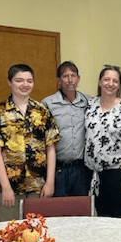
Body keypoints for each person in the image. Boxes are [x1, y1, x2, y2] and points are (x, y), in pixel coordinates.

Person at [0, 64, 60, 221]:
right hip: (9, 186)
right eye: (19, 80)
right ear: (9, 82)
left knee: (36, 229)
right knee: (10, 230)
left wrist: (50, 182)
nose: (25, 84)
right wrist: (6, 187)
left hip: (38, 185)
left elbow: (51, 147)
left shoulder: (42, 110)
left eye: (29, 81)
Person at [85, 65, 121, 218]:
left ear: (119, 85)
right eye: (106, 79)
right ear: (100, 82)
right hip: (92, 174)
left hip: (117, 174)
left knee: (118, 219)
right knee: (98, 218)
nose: (110, 84)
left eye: (115, 81)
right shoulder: (90, 105)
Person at [42, 61, 92, 197]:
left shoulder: (88, 101)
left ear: (78, 78)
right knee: (59, 208)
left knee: (80, 208)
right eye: (65, 76)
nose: (70, 80)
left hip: (81, 169)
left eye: (73, 76)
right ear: (59, 80)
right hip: (58, 169)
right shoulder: (48, 103)